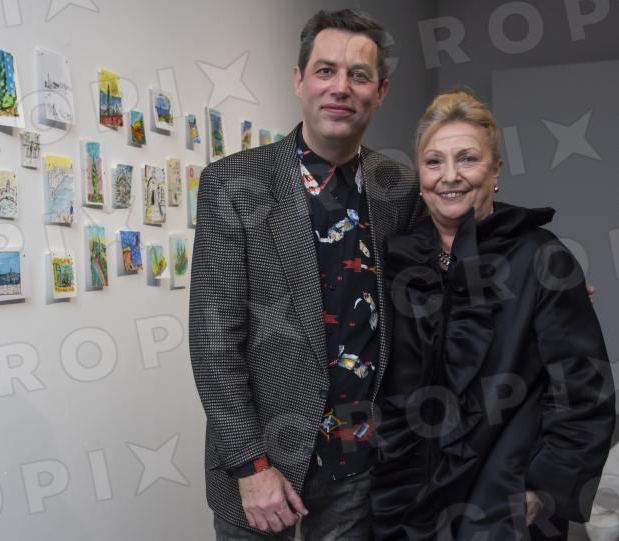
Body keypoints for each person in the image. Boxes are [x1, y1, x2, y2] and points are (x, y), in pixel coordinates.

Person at [189, 8, 423, 539]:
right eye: (325, 70)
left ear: (381, 92)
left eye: (358, 75)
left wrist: (529, 281)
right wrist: (250, 465)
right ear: (299, 80)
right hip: (261, 470)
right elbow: (213, 342)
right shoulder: (233, 184)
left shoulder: (399, 189)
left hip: (360, 467)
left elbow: (447, 260)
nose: (341, 88)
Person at [370, 89, 615, 540]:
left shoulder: (540, 256)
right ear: (419, 174)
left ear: (496, 169)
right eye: (434, 161)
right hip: (410, 496)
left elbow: (585, 390)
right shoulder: (397, 258)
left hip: (504, 500)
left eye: (467, 158)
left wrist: (541, 489)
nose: (450, 176)